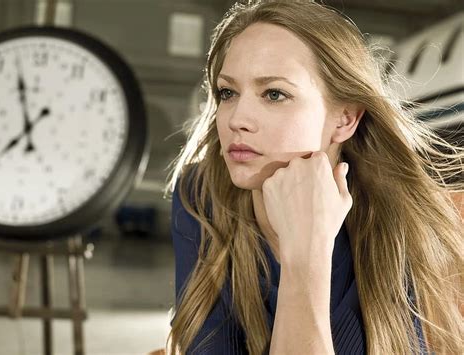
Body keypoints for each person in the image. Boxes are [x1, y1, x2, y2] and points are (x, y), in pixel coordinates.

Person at [165, 1, 463, 354]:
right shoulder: (202, 193)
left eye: (274, 94)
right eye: (228, 93)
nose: (236, 119)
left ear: (345, 119)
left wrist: (306, 255)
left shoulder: (392, 217)